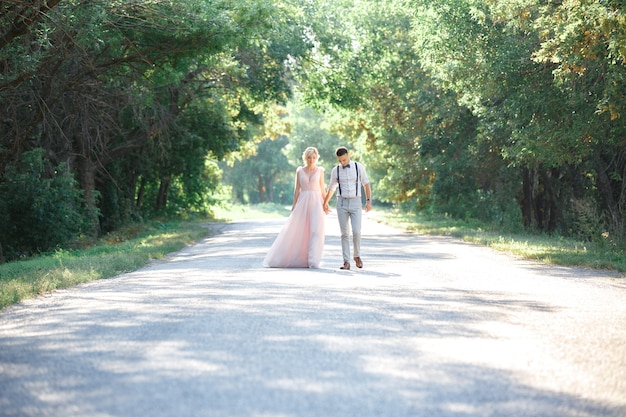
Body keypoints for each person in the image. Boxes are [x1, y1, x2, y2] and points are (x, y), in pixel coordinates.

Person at [263, 146, 328, 268]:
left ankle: (313, 261)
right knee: (297, 229)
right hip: (302, 202)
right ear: (305, 158)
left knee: (316, 230)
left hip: (316, 202)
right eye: (309, 157)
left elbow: (322, 189)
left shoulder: (320, 171)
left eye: (314, 157)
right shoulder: (300, 171)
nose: (311, 160)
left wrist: (325, 203)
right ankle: (291, 257)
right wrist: (294, 205)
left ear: (317, 157)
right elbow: (297, 189)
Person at [323, 146, 372, 270]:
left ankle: (357, 256)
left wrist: (368, 201)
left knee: (356, 231)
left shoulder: (358, 167)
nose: (342, 163)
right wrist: (325, 202)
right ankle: (346, 261)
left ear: (348, 155)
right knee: (344, 234)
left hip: (356, 203)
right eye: (340, 161)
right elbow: (332, 188)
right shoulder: (336, 170)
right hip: (342, 203)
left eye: (344, 160)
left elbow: (366, 184)